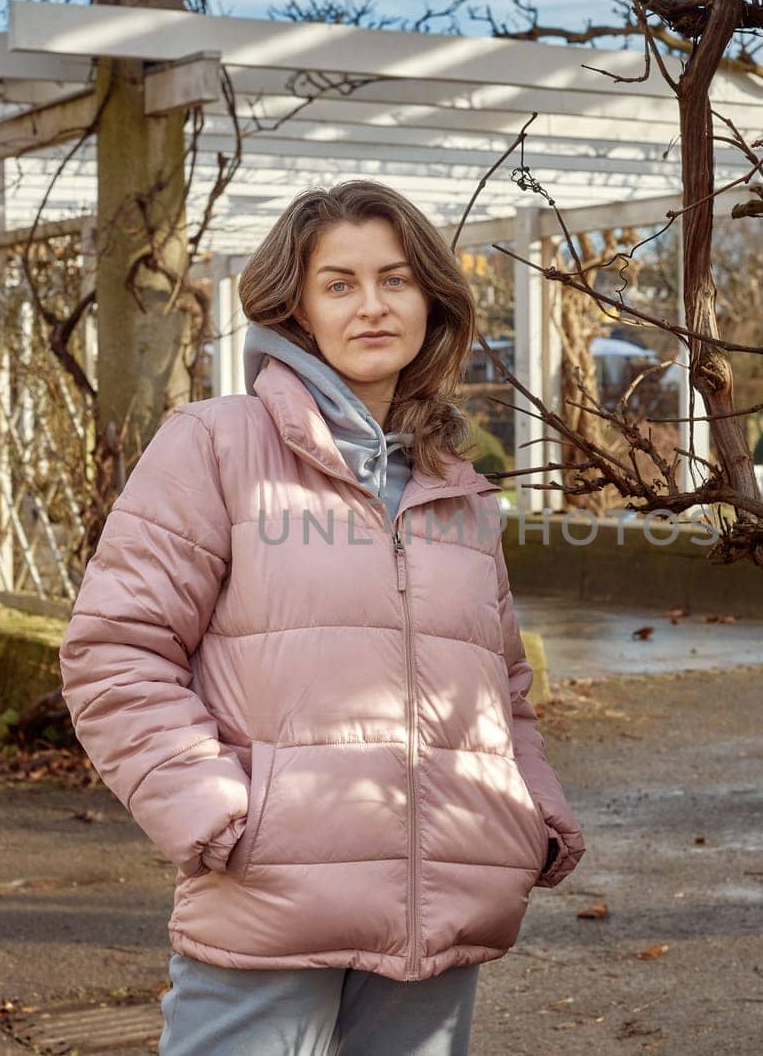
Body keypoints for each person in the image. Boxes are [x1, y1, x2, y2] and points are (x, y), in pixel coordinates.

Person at [58, 179, 584, 1056]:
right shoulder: (216, 444)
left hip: (443, 910)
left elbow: (505, 688)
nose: (372, 305)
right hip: (271, 899)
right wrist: (220, 813)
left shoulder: (457, 486)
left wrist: (530, 810)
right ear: (296, 308)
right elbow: (117, 653)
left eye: (396, 279)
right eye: (339, 283)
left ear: (432, 300)